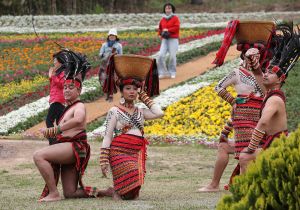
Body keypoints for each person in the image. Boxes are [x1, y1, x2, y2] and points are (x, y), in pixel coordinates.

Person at [198, 20, 277, 192]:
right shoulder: (237, 73)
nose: (254, 58)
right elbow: (218, 87)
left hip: (259, 117)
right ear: (244, 56)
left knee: (247, 152)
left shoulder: (265, 75)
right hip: (241, 117)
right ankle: (217, 184)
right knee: (233, 149)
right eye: (251, 55)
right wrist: (233, 101)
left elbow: (267, 95)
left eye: (257, 55)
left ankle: (247, 186)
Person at [100, 54, 163, 200]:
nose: (132, 91)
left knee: (132, 194)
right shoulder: (114, 111)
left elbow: (159, 112)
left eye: (135, 89)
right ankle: (115, 190)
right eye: (128, 88)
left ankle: (112, 191)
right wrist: (103, 158)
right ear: (121, 91)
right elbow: (108, 136)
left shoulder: (141, 111)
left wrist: (145, 97)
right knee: (131, 173)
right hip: (119, 151)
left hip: (136, 152)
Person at [33, 50, 92, 202]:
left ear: (79, 90)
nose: (66, 90)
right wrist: (50, 133)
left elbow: (78, 120)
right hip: (71, 149)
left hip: (75, 148)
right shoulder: (67, 108)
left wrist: (55, 129)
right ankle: (104, 191)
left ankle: (53, 193)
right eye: (65, 88)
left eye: (70, 88)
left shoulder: (79, 106)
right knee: (70, 193)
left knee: (39, 155)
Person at [239, 25, 299, 173]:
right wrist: (250, 58)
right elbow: (259, 75)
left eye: (270, 73)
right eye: (266, 71)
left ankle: (248, 192)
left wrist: (251, 148)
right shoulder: (270, 91)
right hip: (271, 141)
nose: (266, 74)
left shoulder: (274, 99)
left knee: (245, 157)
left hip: (277, 144)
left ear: (280, 79)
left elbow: (264, 122)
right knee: (244, 155)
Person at [45, 53, 66, 145]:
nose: (54, 63)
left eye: (55, 61)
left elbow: (62, 85)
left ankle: (53, 141)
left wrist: (53, 75)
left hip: (58, 99)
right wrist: (51, 76)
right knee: (59, 121)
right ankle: (61, 139)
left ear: (60, 63)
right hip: (56, 99)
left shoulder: (63, 72)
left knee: (49, 120)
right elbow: (54, 85)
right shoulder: (58, 72)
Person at [157, 3, 180, 79]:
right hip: (165, 40)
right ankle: (162, 72)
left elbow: (177, 27)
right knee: (160, 55)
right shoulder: (162, 19)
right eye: (166, 8)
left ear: (172, 9)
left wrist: (168, 30)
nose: (168, 10)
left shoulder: (175, 18)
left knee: (172, 56)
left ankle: (172, 72)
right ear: (164, 10)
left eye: (169, 8)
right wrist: (160, 33)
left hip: (173, 39)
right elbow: (160, 28)